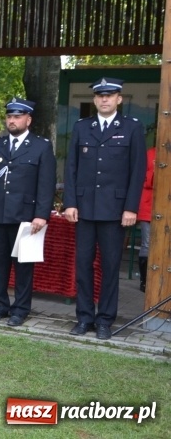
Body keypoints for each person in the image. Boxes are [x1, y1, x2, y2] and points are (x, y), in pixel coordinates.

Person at [64, 77, 146, 340]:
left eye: (110, 96)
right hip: (85, 209)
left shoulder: (132, 128)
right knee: (83, 265)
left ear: (119, 99)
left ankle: (105, 320)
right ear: (95, 99)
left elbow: (137, 172)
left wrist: (130, 208)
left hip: (115, 210)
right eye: (100, 96)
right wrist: (70, 202)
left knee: (111, 267)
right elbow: (71, 168)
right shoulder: (82, 127)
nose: (104, 100)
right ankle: (84, 317)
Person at [0, 98, 56, 326]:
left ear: (28, 120)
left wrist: (42, 214)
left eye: (17, 116)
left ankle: (20, 310)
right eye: (9, 116)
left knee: (23, 268)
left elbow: (46, 184)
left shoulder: (41, 146)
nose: (12, 120)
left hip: (26, 217)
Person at [137, 146, 156, 292]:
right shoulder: (149, 154)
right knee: (147, 245)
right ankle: (144, 282)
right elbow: (141, 179)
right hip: (148, 205)